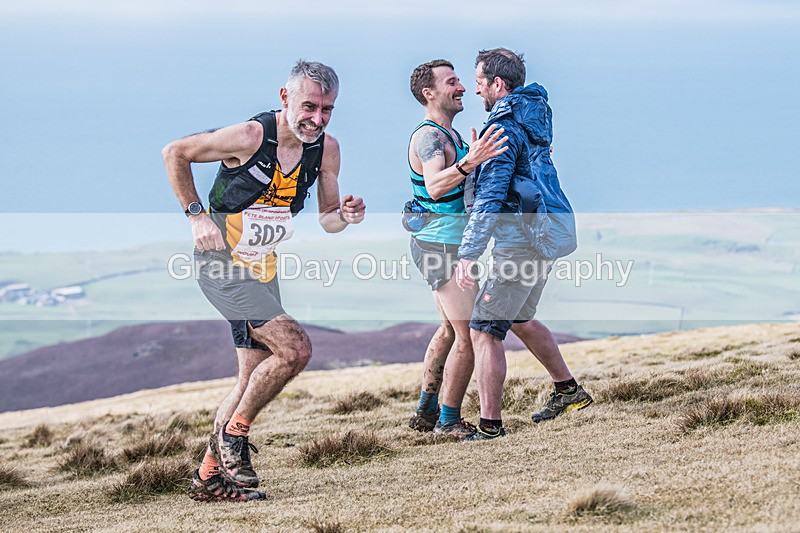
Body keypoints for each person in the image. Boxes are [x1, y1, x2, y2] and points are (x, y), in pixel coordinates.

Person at [162, 60, 365, 501]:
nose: (317, 118)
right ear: (285, 97)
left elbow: (328, 219)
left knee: (251, 377)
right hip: (221, 264)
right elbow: (174, 152)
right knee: (296, 348)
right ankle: (235, 437)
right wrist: (197, 217)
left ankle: (208, 477)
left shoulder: (326, 149)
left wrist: (345, 217)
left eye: (327, 109)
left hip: (263, 269)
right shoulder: (252, 137)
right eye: (309, 106)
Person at [455, 48, 592, 440]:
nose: (476, 90)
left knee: (484, 330)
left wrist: (468, 253)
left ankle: (490, 427)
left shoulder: (503, 129)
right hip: (545, 235)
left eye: (480, 83)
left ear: (498, 84)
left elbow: (491, 197)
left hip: (518, 244)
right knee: (520, 319)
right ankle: (569, 392)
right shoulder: (533, 118)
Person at [405, 60, 508, 439]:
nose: (462, 86)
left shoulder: (450, 135)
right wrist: (471, 160)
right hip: (440, 246)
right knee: (469, 335)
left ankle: (426, 408)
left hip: (444, 242)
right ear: (428, 93)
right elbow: (434, 186)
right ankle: (449, 421)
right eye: (452, 82)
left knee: (450, 329)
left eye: (461, 80)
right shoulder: (428, 138)